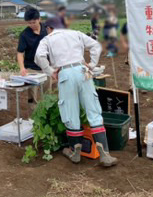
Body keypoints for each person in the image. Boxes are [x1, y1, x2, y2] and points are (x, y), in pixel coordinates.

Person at [34, 17, 117, 167]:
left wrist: (50, 71)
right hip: (82, 71)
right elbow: (96, 46)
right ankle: (104, 153)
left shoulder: (48, 39)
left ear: (49, 28)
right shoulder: (76, 33)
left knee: (70, 112)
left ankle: (75, 151)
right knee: (93, 110)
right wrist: (91, 64)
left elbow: (39, 56)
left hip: (65, 74)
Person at [16, 7, 48, 105]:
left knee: (48, 94)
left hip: (47, 67)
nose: (31, 25)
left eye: (34, 22)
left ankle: (47, 117)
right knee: (33, 97)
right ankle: (33, 117)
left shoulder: (47, 29)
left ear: (39, 19)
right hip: (31, 68)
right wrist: (22, 68)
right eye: (29, 23)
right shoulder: (24, 35)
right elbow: (20, 53)